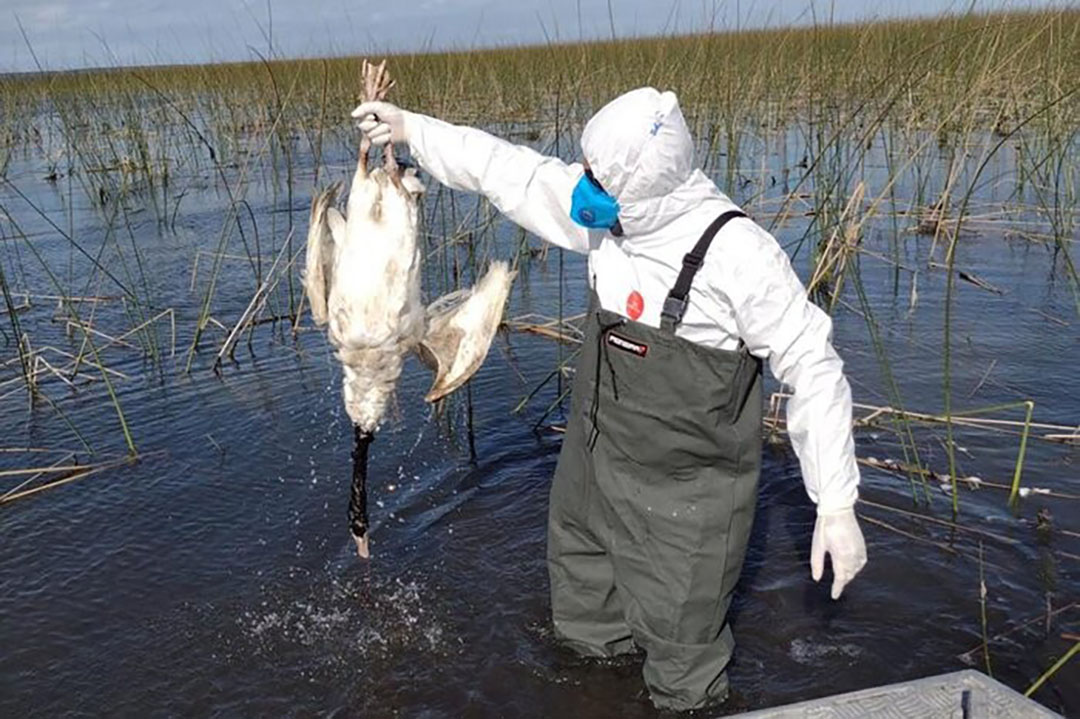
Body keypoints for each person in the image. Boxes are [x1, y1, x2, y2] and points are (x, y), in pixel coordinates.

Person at [351, 87, 867, 711]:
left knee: (683, 666)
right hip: (590, 475)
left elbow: (813, 365)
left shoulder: (738, 256)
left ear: (639, 191)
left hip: (687, 504)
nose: (583, 187)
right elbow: (505, 169)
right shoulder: (607, 215)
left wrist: (835, 505)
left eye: (597, 178)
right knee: (584, 630)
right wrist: (410, 129)